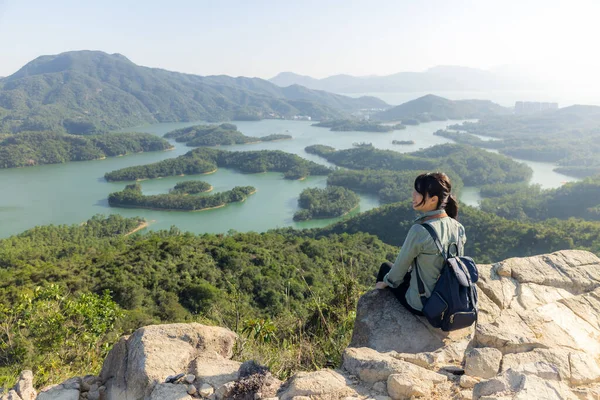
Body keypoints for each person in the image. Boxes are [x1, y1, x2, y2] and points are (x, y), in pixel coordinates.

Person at [375, 172, 466, 315]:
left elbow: (399, 270)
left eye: (419, 192)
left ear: (433, 199)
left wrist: (385, 283)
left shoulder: (420, 230)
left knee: (385, 267)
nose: (413, 195)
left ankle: (376, 311)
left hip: (423, 305)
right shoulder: (458, 227)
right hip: (448, 300)